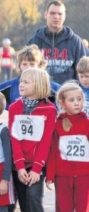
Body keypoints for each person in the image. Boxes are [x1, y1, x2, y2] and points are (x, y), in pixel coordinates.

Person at [9, 68, 56, 212]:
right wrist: (20, 166)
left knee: (32, 197)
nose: (21, 84)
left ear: (39, 85)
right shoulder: (14, 107)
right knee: (23, 201)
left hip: (37, 165)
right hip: (19, 164)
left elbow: (46, 141)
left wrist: (37, 168)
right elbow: (14, 138)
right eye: (21, 81)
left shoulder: (50, 109)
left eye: (26, 82)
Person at [46, 81, 89, 212]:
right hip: (62, 176)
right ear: (62, 103)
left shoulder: (87, 123)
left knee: (83, 208)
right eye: (72, 100)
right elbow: (53, 153)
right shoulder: (57, 125)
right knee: (64, 208)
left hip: (84, 175)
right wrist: (49, 176)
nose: (77, 103)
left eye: (79, 99)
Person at [27, 0, 86, 84]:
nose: (56, 17)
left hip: (68, 93)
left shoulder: (75, 41)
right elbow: (27, 71)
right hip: (42, 93)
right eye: (52, 13)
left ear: (64, 16)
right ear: (46, 14)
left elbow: (83, 71)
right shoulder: (34, 41)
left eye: (60, 14)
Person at [0, 44, 61, 110]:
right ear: (19, 66)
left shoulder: (55, 90)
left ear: (40, 66)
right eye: (24, 64)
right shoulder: (7, 88)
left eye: (32, 64)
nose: (28, 67)